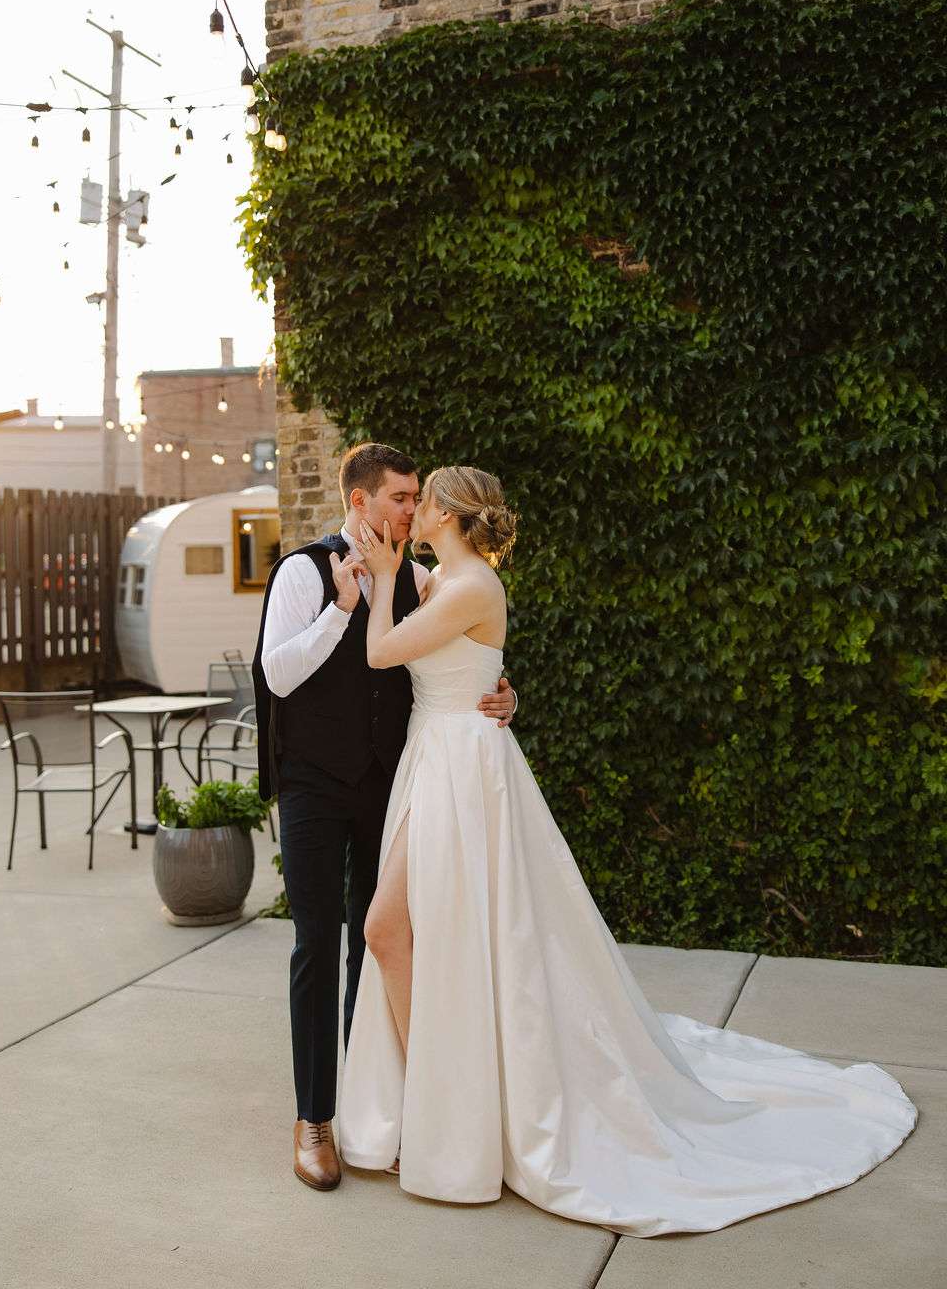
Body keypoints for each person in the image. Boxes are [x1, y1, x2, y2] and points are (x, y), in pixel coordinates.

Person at [336, 463, 918, 1236]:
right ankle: (433, 1097)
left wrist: (382, 586)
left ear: (447, 509)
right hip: (433, 757)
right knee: (404, 930)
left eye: (424, 495)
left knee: (422, 930)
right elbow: (460, 653)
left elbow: (384, 653)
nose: (414, 508)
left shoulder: (473, 585)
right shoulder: (439, 577)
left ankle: (441, 1107)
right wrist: (462, 644)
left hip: (465, 768)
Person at [250, 442, 518, 1193]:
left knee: (380, 942)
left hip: (386, 783)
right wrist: (342, 607)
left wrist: (504, 694)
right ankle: (314, 1120)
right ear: (360, 501)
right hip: (312, 786)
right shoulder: (302, 572)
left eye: (415, 499)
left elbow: (468, 648)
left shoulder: (423, 577)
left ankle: (380, 1109)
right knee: (316, 942)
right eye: (400, 498)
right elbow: (276, 673)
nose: (410, 508)